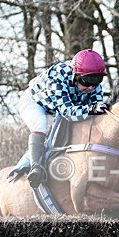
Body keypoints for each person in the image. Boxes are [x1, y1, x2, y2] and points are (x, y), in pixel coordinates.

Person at [18, 49, 109, 187]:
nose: (91, 86)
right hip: (36, 103)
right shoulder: (58, 75)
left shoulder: (94, 87)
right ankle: (36, 168)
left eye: (97, 81)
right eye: (87, 80)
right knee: (41, 124)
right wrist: (91, 109)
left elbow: (94, 116)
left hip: (59, 110)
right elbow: (66, 112)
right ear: (75, 74)